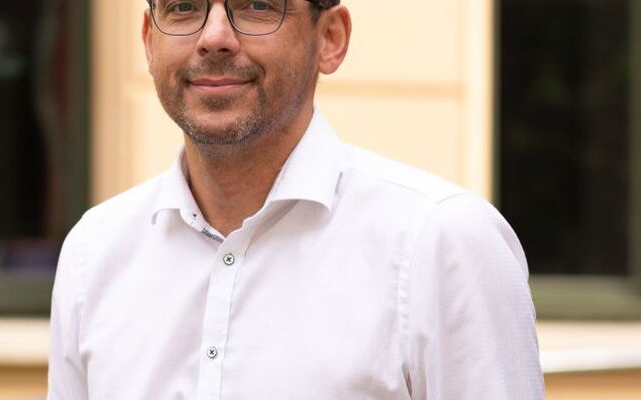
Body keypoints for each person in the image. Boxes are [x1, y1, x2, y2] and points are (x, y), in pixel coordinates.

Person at [47, 0, 545, 398]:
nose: (214, 37)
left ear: (330, 38)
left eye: (257, 6)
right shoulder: (95, 252)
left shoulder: (441, 242)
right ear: (148, 41)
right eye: (182, 7)